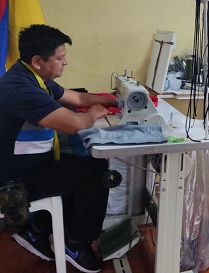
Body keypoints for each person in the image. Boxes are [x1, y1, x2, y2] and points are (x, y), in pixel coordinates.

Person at [0, 24, 119, 273]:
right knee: (95, 170)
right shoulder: (22, 90)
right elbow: (76, 124)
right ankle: (75, 244)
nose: (66, 62)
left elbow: (78, 98)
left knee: (75, 166)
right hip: (13, 183)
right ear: (38, 61)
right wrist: (94, 113)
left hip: (27, 167)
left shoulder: (31, 77)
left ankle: (36, 232)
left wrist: (115, 100)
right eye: (60, 58)